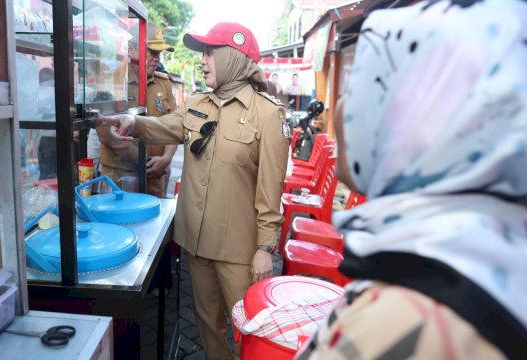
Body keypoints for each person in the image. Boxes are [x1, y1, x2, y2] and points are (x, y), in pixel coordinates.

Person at [296, 1, 527, 359]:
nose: (340, 106)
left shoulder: (403, 317)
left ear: (427, 119)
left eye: (367, 84)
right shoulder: (480, 253)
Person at [98, 22, 291, 358]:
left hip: (239, 250)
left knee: (248, 330)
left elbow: (270, 190)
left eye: (209, 53)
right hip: (197, 241)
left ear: (233, 57)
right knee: (206, 323)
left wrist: (265, 248)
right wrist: (135, 123)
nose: (202, 61)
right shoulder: (198, 103)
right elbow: (166, 126)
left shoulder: (267, 115)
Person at [95, 24, 178, 197]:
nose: (157, 58)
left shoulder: (164, 83)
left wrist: (166, 159)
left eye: (159, 53)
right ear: (131, 49)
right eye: (151, 52)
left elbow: (174, 125)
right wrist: (146, 162)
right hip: (120, 178)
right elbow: (106, 134)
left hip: (156, 175)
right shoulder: (112, 81)